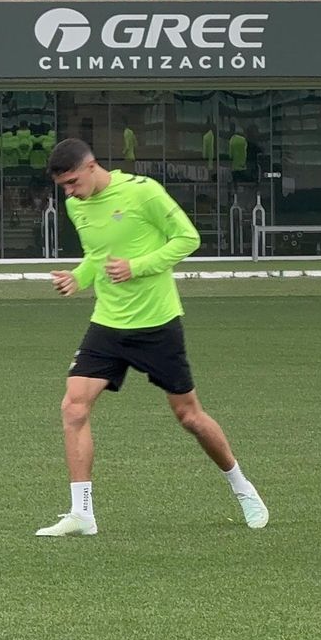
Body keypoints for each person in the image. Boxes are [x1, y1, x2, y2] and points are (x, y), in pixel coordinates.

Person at [38, 139, 268, 536]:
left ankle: (243, 488)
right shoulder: (77, 206)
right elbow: (98, 256)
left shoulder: (143, 193)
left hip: (157, 324)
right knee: (73, 408)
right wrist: (78, 278)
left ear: (92, 166)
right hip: (108, 324)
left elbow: (187, 238)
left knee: (189, 417)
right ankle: (82, 513)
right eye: (63, 187)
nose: (69, 193)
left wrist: (138, 266)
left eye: (73, 182)